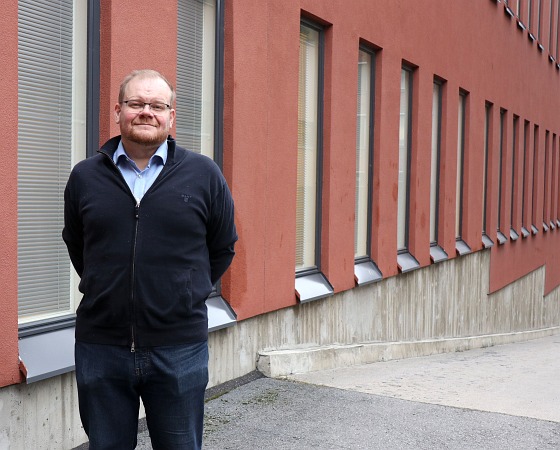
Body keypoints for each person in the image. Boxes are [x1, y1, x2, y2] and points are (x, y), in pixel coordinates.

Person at [62, 69, 237, 449]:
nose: (146, 112)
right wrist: (105, 286)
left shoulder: (203, 174)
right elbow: (78, 245)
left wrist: (184, 293)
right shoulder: (85, 177)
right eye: (136, 103)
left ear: (171, 116)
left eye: (157, 105)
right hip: (102, 347)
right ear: (117, 111)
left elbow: (223, 245)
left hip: (179, 348)